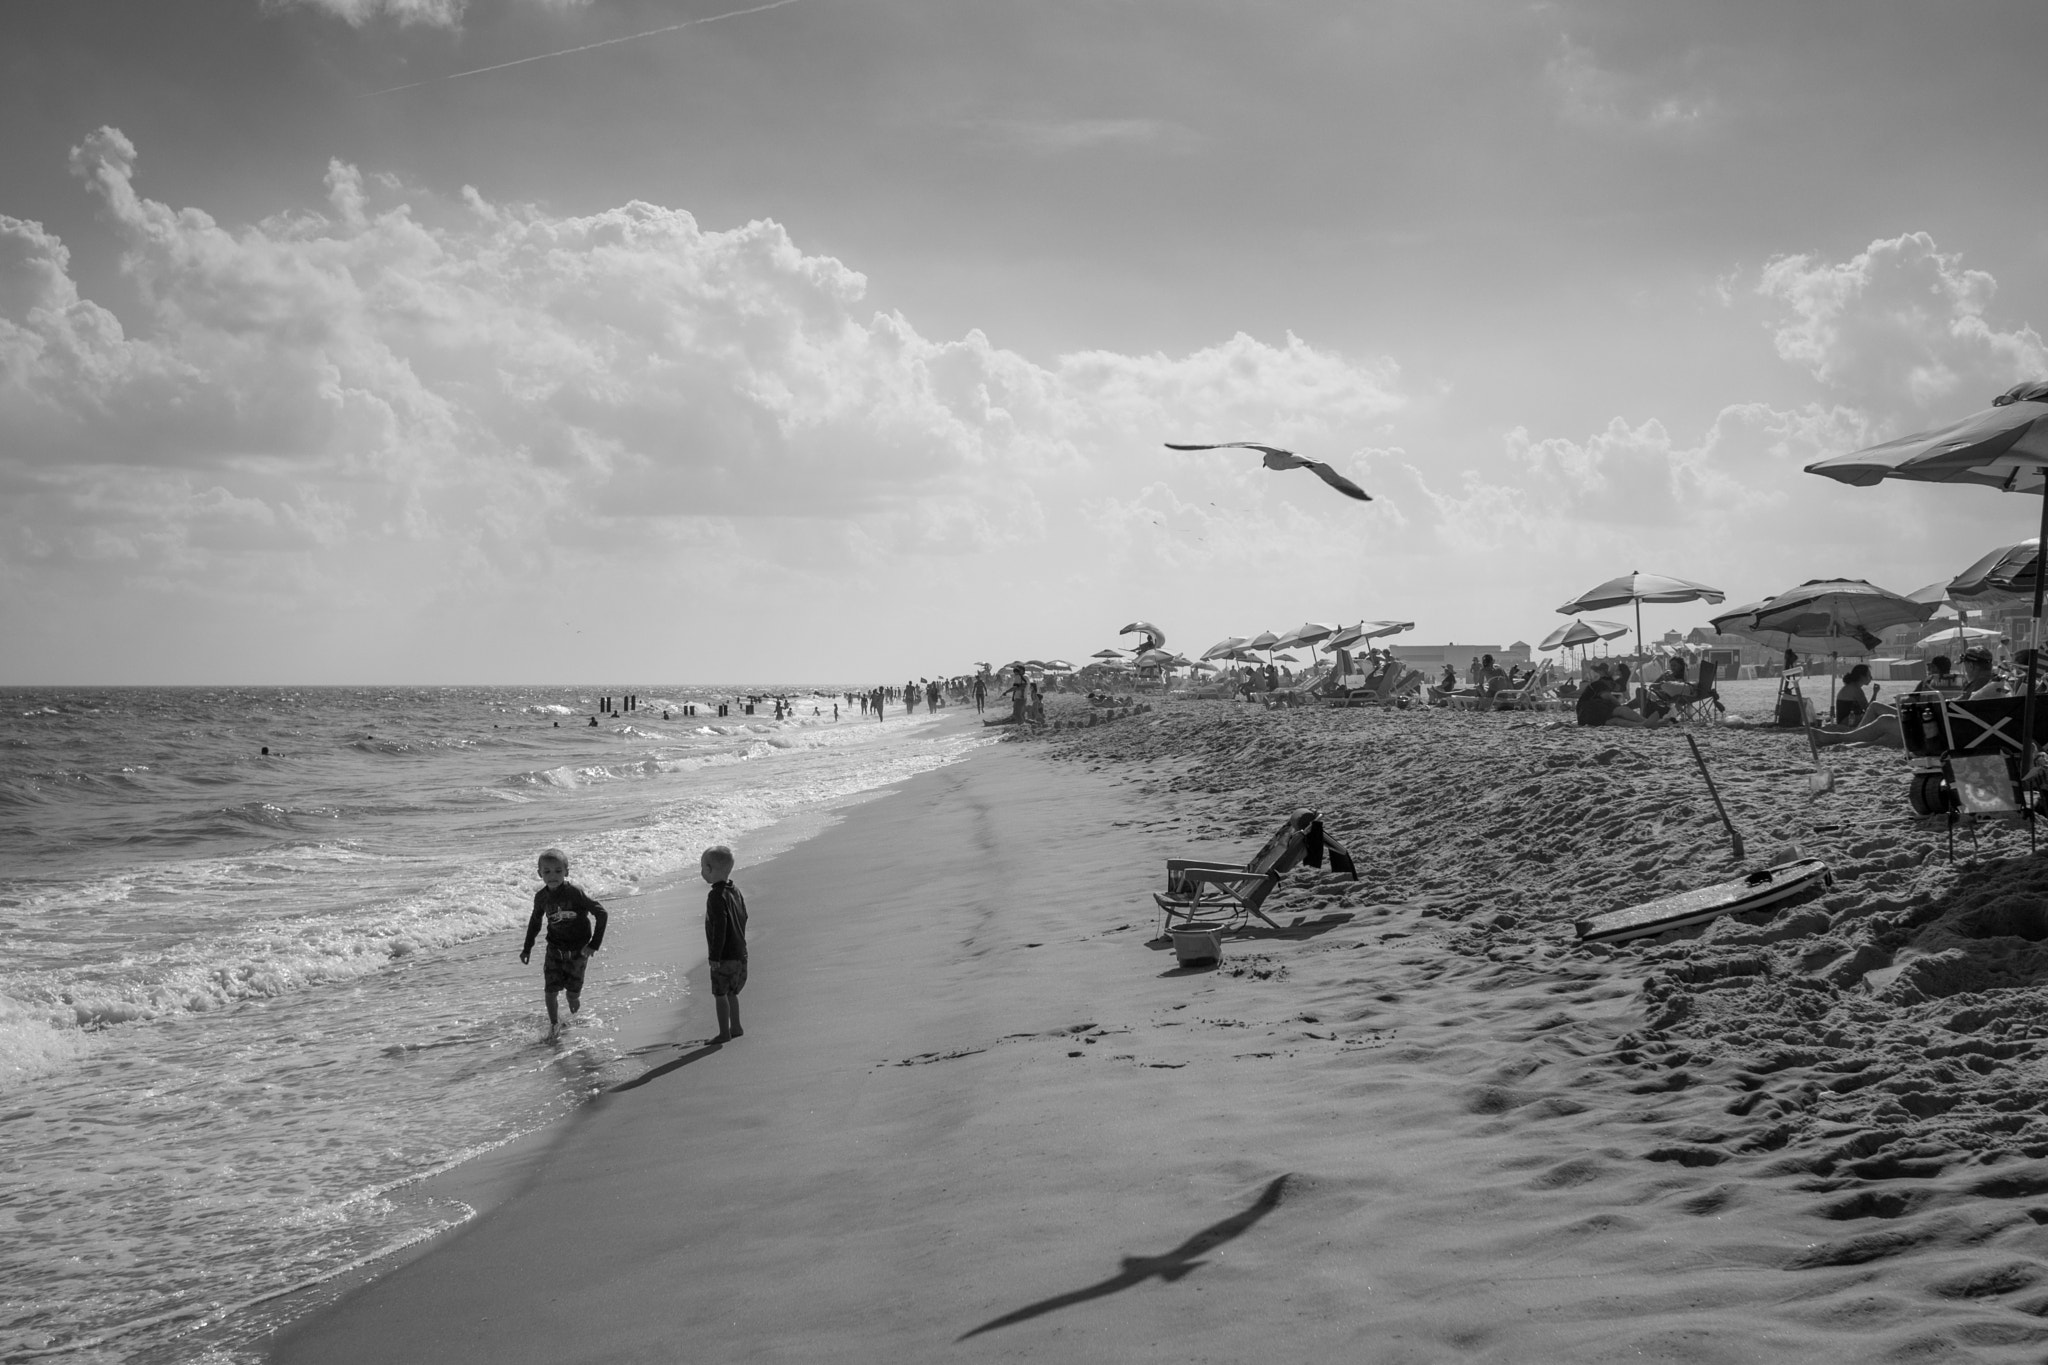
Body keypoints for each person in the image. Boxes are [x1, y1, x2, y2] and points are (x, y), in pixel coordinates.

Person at [520, 848, 609, 1041]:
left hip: (579, 951)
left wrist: (594, 944)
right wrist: (527, 947)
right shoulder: (541, 897)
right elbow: (535, 922)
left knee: (571, 994)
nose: (553, 876)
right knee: (550, 990)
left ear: (566, 871)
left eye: (558, 871)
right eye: (547, 872)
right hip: (554, 949)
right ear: (540, 874)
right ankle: (554, 1025)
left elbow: (601, 913)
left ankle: (574, 1001)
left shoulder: (574, 893)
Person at [701, 844, 748, 1043]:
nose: (701, 872)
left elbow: (720, 926)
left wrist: (714, 955)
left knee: (720, 993)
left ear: (710, 870)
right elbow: (744, 916)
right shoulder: (734, 890)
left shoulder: (715, 896)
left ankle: (723, 1033)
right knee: (732, 992)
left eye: (702, 868)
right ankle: (735, 1026)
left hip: (724, 956)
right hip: (740, 953)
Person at [1574, 676, 1668, 728]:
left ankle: (1641, 724)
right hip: (1591, 708)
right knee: (1620, 710)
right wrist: (1618, 705)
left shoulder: (1592, 690)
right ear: (1606, 681)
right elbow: (1607, 696)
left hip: (1584, 717)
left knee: (1613, 721)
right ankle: (1644, 722)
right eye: (1612, 684)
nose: (1611, 687)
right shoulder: (1600, 684)